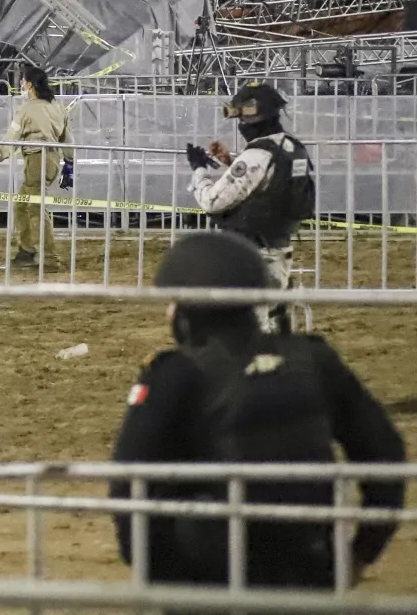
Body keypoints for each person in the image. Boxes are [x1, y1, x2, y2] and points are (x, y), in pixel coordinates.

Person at [111, 231, 404, 590]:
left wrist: (161, 574)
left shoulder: (175, 375)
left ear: (185, 309)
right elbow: (386, 453)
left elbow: (129, 484)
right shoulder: (313, 359)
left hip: (210, 579)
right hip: (310, 570)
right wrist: (361, 553)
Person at [186, 82, 315, 333]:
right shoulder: (291, 147)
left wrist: (199, 170)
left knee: (250, 332)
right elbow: (268, 182)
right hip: (279, 248)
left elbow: (212, 201)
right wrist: (231, 162)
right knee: (278, 324)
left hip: (252, 255)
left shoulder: (258, 154)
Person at [0, 63, 72, 268]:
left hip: (37, 161)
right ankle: (26, 250)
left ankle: (49, 258)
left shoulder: (26, 110)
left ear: (30, 85)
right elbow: (68, 139)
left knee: (36, 208)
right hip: (52, 160)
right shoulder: (57, 107)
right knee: (22, 204)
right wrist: (69, 162)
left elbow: (10, 140)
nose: (21, 85)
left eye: (23, 82)